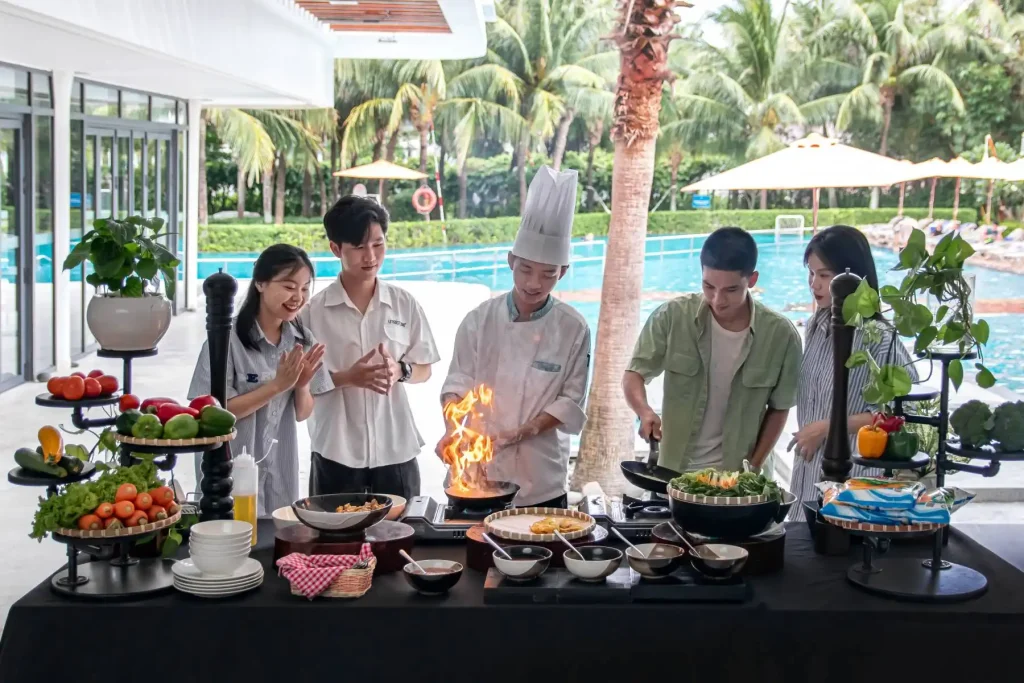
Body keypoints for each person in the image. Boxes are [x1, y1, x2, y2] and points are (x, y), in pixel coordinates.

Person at [437, 166, 591, 508]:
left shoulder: (573, 328)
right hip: (476, 474)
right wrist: (454, 428)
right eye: (525, 269)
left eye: (548, 274)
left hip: (541, 479)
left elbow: (570, 401)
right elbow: (456, 384)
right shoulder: (478, 320)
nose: (534, 283)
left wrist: (520, 432)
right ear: (510, 261)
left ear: (562, 272)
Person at [623, 227, 802, 476]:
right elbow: (635, 373)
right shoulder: (672, 317)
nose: (718, 300)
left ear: (752, 280)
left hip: (739, 479)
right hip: (674, 475)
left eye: (731, 290)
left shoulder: (781, 335)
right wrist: (644, 411)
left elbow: (780, 408)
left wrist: (753, 469)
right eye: (709, 286)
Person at [301, 195, 440, 500]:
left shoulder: (404, 303)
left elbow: (425, 369)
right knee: (336, 543)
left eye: (378, 244)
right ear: (336, 249)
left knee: (401, 538)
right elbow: (299, 387)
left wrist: (400, 370)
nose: (371, 256)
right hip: (336, 452)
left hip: (396, 448)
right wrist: (346, 378)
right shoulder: (312, 312)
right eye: (359, 247)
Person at [189, 244, 331, 517]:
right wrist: (276, 386)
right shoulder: (226, 341)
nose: (298, 297)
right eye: (289, 287)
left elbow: (302, 413)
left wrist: (300, 383)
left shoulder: (302, 340)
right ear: (261, 283)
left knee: (276, 547)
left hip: (281, 473)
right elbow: (210, 415)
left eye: (304, 288)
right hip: (230, 478)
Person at [789, 225, 919, 519]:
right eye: (811, 273)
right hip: (809, 478)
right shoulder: (816, 326)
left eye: (824, 275)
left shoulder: (880, 338)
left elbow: (901, 413)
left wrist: (826, 427)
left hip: (855, 484)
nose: (815, 284)